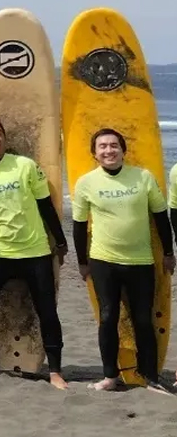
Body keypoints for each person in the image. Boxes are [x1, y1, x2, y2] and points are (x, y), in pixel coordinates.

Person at [0, 117, 68, 390]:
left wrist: (61, 242)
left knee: (47, 312)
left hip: (35, 252)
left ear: (5, 140)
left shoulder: (25, 166)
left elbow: (46, 206)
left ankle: (55, 371)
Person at [72, 127, 173, 392]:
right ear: (95, 153)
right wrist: (82, 261)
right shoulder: (86, 182)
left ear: (123, 150)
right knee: (108, 317)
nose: (109, 150)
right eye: (103, 146)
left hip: (140, 260)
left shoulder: (143, 178)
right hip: (103, 261)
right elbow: (79, 225)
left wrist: (169, 253)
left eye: (114, 145)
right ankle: (109, 376)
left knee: (143, 319)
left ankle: (149, 375)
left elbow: (161, 217)